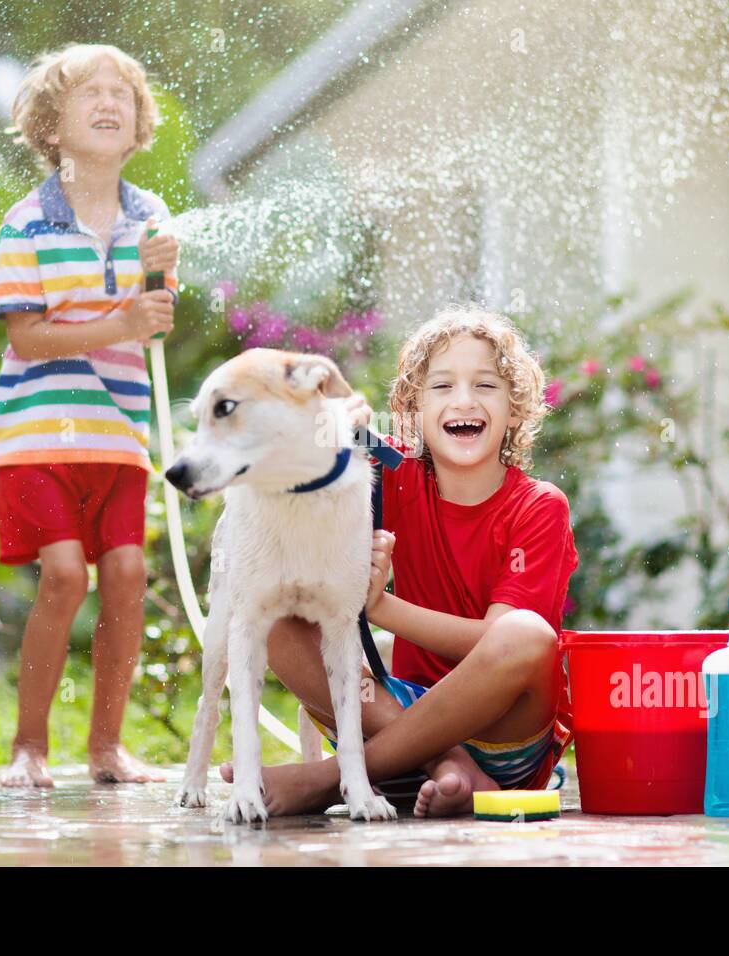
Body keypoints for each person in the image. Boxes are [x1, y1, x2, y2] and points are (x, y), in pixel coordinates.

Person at [223, 305, 579, 817]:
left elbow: (498, 641)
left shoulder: (539, 505)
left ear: (516, 409)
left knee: (527, 634)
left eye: (485, 385)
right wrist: (332, 409)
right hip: (392, 713)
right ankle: (447, 766)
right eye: (441, 387)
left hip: (505, 741)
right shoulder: (390, 471)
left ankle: (330, 779)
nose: (463, 400)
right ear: (411, 411)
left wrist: (381, 608)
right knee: (276, 615)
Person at [0, 44, 180, 787]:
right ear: (50, 126)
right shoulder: (27, 222)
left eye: (122, 95)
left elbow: (155, 323)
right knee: (66, 576)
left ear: (136, 128)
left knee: (127, 574)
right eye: (89, 93)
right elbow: (25, 337)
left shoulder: (150, 217)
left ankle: (106, 748)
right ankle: (28, 747)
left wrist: (163, 275)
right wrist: (125, 322)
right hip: (37, 434)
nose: (108, 102)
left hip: (118, 436)